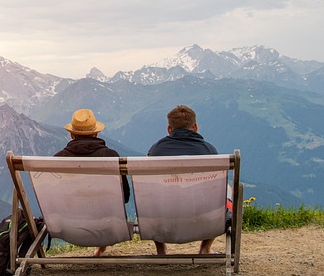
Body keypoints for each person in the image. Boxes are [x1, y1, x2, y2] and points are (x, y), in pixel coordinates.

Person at [55, 108, 131, 257]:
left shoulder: (57, 159)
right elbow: (125, 197)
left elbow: (56, 200)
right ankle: (100, 247)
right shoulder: (111, 157)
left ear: (71, 134)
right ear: (96, 133)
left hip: (68, 225)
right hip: (109, 225)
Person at [147, 105, 219, 255]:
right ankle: (205, 248)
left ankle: (161, 250)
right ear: (195, 127)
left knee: (151, 196)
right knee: (226, 189)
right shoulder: (208, 151)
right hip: (202, 215)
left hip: (163, 213)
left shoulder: (156, 150)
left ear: (169, 129)